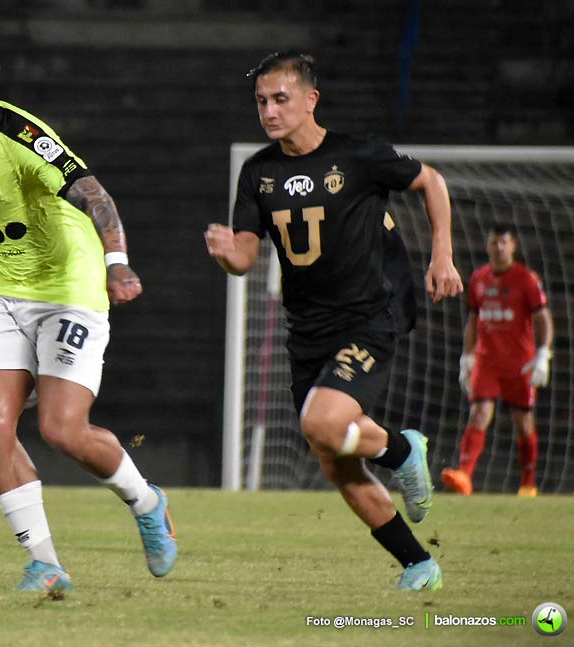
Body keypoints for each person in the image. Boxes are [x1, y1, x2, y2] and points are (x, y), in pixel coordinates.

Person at [0, 32, 177, 596]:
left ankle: (147, 501)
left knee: (61, 429)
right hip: (0, 294)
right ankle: (45, 561)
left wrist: (117, 264)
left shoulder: (25, 138)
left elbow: (96, 195)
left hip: (69, 287)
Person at [204, 52, 464, 591]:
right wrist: (228, 253)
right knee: (335, 461)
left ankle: (400, 450)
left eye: (280, 99)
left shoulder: (357, 155)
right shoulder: (258, 174)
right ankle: (420, 563)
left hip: (369, 318)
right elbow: (247, 259)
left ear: (310, 100)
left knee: (321, 425)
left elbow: (432, 182)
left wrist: (443, 255)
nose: (269, 111)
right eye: (261, 101)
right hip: (308, 331)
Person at [442, 224, 553, 497]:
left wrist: (543, 354)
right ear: (488, 245)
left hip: (520, 363)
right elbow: (472, 320)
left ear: (513, 245)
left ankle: (528, 483)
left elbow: (543, 318)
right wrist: (467, 357)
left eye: (504, 242)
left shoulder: (526, 279)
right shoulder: (479, 279)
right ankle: (464, 476)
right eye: (494, 242)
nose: (499, 247)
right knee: (478, 414)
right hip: (487, 361)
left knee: (522, 420)